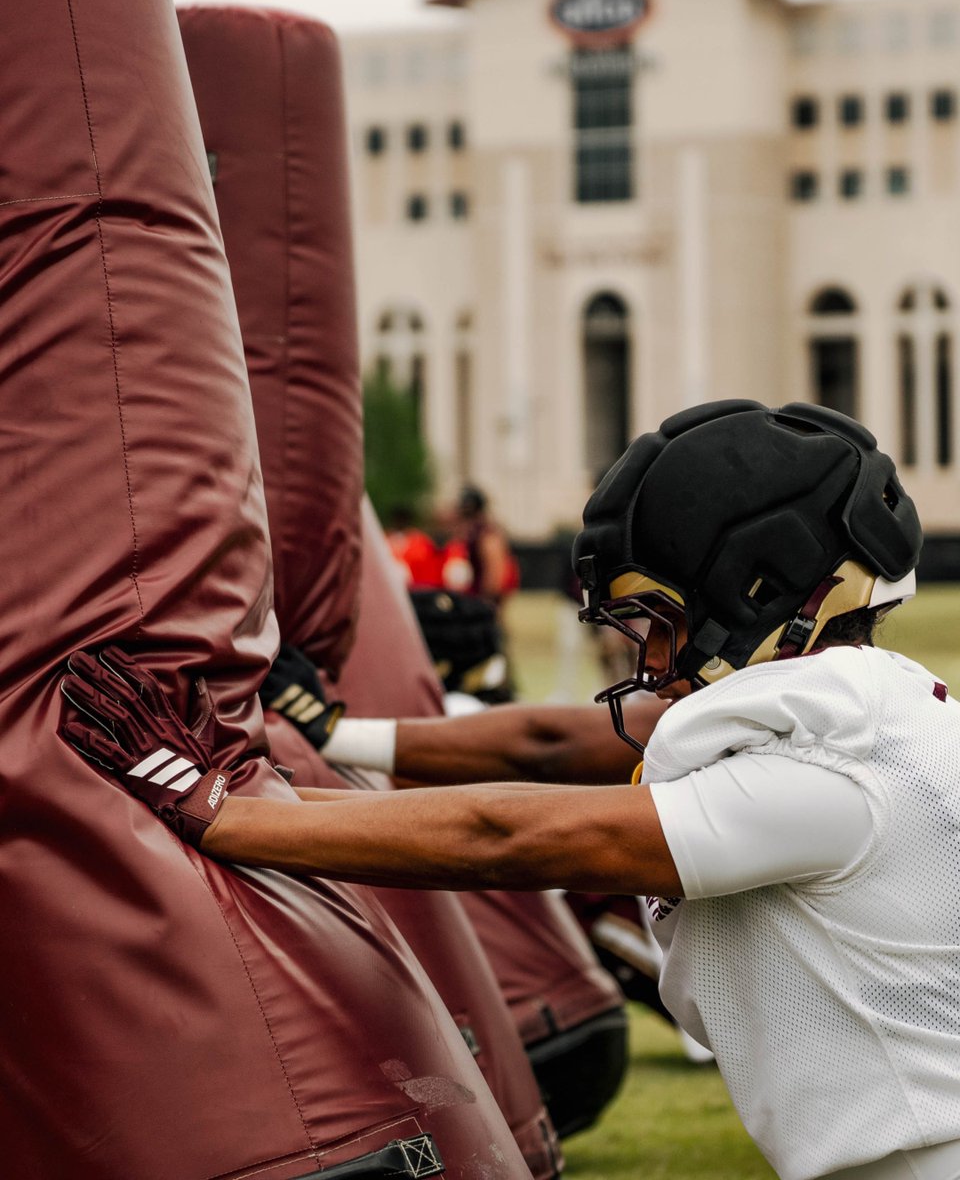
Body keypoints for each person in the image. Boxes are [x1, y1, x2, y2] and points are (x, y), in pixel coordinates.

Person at [60, 400, 960, 1180]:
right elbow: (548, 754)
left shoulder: (843, 761)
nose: (648, 661)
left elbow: (514, 834)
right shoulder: (861, 718)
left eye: (661, 624)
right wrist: (247, 794)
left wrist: (220, 816)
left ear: (764, 593)